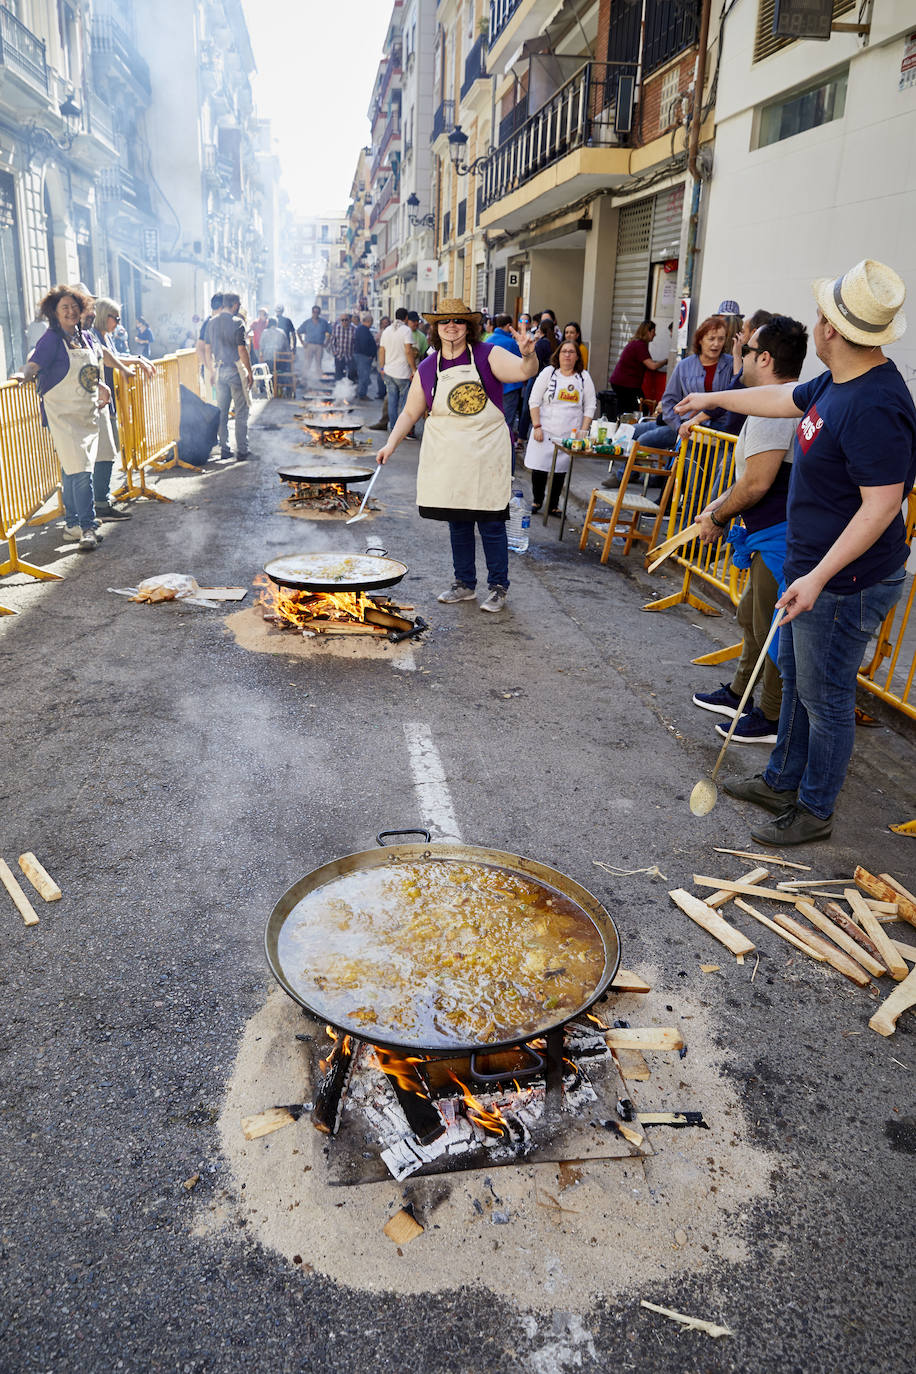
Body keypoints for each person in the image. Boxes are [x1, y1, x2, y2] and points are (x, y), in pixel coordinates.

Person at [675, 258, 916, 844]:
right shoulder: (837, 380)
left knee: (825, 695)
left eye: (823, 315)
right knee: (802, 679)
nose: (817, 322)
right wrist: (713, 401)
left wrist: (818, 576)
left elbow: (881, 507)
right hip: (817, 570)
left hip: (849, 580)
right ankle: (782, 779)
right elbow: (785, 399)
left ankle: (814, 808)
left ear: (834, 330)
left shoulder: (876, 403)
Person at [375, 297, 539, 613]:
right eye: (445, 321)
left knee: (491, 521)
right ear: (436, 328)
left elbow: (523, 371)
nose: (452, 326)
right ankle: (464, 584)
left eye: (459, 321)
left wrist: (529, 353)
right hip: (451, 458)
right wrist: (390, 445)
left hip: (487, 454)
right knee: (459, 523)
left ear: (469, 327)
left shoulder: (488, 355)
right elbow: (410, 412)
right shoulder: (427, 367)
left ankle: (498, 587)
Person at [691, 314, 808, 744]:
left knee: (771, 628)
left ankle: (771, 716)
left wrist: (719, 518)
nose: (737, 350)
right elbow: (752, 478)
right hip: (770, 532)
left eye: (745, 345)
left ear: (764, 358)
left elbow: (759, 482)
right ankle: (740, 692)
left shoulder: (777, 407)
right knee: (754, 618)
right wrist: (721, 502)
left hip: (779, 536)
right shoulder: (774, 400)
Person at [13, 285, 111, 551]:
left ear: (81, 310)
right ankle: (88, 527)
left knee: (72, 471)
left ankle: (72, 524)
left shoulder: (85, 337)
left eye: (73, 307)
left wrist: (102, 386)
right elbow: (34, 363)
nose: (70, 312)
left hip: (86, 414)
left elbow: (91, 372)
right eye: (64, 308)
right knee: (81, 471)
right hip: (64, 418)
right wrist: (24, 375)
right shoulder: (51, 339)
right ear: (54, 314)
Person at [86, 296, 156, 520]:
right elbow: (110, 359)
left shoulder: (103, 336)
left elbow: (114, 357)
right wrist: (131, 365)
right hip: (98, 401)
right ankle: (99, 503)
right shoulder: (93, 335)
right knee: (104, 453)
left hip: (106, 400)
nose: (118, 323)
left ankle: (99, 500)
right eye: (115, 318)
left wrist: (136, 359)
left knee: (107, 451)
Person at [630, 314, 741, 453]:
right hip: (685, 426)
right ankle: (626, 473)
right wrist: (678, 426)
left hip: (715, 430)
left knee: (646, 439)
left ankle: (650, 474)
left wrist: (737, 358)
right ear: (700, 340)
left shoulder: (731, 364)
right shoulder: (684, 365)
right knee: (632, 431)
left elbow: (736, 394)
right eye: (711, 339)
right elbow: (668, 401)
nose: (716, 344)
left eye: (721, 339)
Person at [525, 339, 596, 515]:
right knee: (540, 467)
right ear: (558, 354)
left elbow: (590, 406)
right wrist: (537, 426)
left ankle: (553, 505)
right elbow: (534, 400)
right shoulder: (549, 373)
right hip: (545, 428)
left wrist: (583, 432)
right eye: (564, 351)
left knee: (559, 471)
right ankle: (537, 500)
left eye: (571, 352)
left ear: (577, 357)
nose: (567, 355)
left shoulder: (584, 377)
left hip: (568, 434)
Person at [207, 292, 252, 460]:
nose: (238, 307)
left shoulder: (211, 323)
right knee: (241, 411)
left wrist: (211, 371)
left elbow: (208, 349)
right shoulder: (237, 322)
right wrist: (250, 371)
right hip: (234, 370)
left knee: (222, 413)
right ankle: (242, 450)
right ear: (234, 305)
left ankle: (224, 449)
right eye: (238, 304)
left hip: (219, 371)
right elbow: (242, 350)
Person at [609, 321, 666, 417]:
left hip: (622, 383)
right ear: (648, 332)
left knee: (627, 408)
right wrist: (666, 361)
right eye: (653, 332)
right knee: (639, 407)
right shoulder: (640, 345)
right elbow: (652, 366)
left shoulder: (636, 344)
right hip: (626, 384)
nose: (655, 335)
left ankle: (623, 426)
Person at [378, 307, 416, 433]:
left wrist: (382, 367)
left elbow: (382, 350)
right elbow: (408, 351)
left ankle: (394, 427)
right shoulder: (406, 331)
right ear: (406, 318)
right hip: (402, 372)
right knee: (405, 403)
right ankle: (403, 428)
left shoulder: (387, 330)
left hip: (389, 371)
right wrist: (413, 369)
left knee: (392, 402)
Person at [488, 314, 524, 439]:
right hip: (510, 386)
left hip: (491, 386)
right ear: (509, 326)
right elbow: (522, 364)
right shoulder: (511, 343)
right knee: (507, 420)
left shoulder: (488, 340)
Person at [298, 304, 331, 377]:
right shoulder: (307, 322)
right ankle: (305, 380)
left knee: (318, 364)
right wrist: (302, 342)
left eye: (317, 312)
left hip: (319, 346)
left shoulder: (323, 322)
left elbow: (330, 332)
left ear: (319, 313)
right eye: (314, 312)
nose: (315, 313)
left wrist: (326, 343)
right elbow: (298, 331)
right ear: (312, 312)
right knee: (307, 363)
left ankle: (318, 380)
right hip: (309, 345)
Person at [352, 312, 377, 399]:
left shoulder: (362, 329)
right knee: (364, 376)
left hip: (363, 356)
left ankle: (360, 392)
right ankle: (362, 394)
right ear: (369, 321)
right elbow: (363, 344)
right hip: (363, 357)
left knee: (363, 376)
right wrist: (369, 354)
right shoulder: (363, 329)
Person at [330, 312, 356, 381]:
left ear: (349, 320)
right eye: (342, 320)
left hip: (350, 356)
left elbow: (356, 343)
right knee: (338, 374)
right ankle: (339, 389)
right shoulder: (336, 328)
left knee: (351, 374)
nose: (344, 321)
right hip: (339, 355)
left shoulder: (354, 329)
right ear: (340, 320)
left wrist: (354, 354)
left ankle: (350, 389)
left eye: (346, 320)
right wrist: (335, 352)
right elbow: (332, 342)